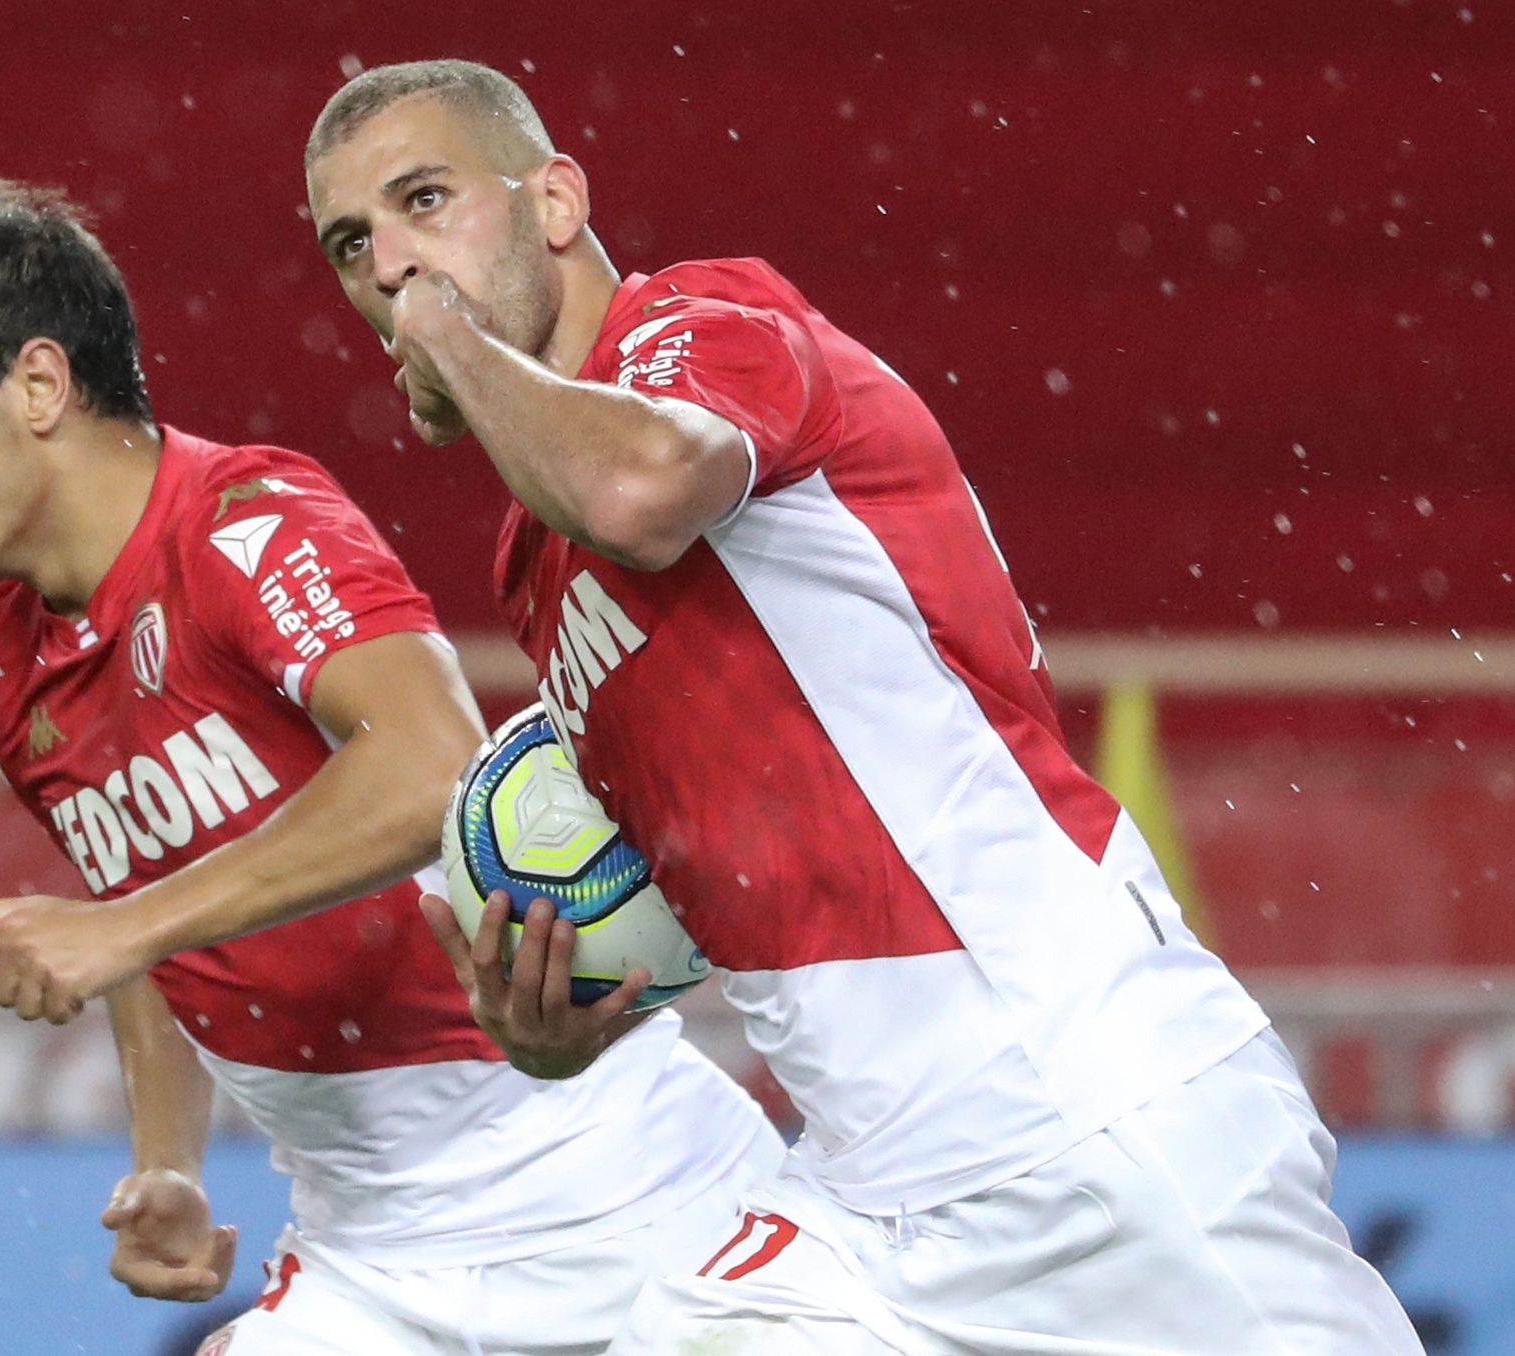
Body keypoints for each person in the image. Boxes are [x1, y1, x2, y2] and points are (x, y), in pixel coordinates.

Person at [299, 60, 1425, 1355]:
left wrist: (452, 337)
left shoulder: (706, 321)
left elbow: (641, 491)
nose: (390, 267)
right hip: (865, 1194)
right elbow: (723, 873)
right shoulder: (532, 564)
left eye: (424, 201)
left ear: (555, 202)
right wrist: (562, 1024)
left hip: (1082, 1104)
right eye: (351, 245)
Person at [0, 178, 781, 1355]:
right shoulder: (1, 663)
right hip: (371, 1253)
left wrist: (125, 928)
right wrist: (168, 1162)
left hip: (621, 1187)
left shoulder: (246, 521)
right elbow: (148, 913)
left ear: (37, 386)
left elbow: (431, 766)